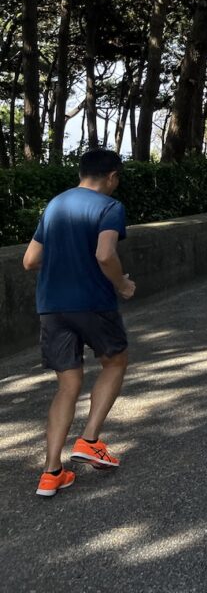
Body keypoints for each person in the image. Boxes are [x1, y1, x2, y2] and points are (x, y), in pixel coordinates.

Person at [22, 148, 136, 497]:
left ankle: (51, 472)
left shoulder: (55, 205)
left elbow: (30, 260)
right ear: (113, 176)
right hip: (92, 302)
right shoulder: (110, 208)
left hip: (52, 306)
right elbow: (105, 254)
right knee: (115, 361)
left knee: (67, 385)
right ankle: (89, 440)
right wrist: (122, 284)